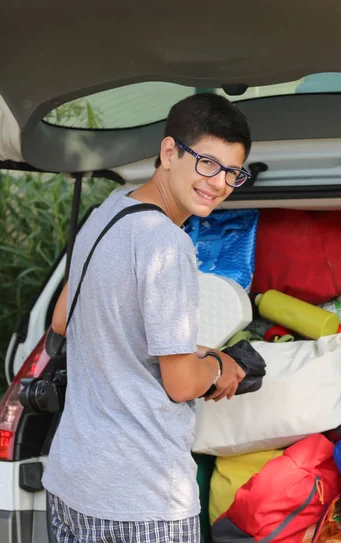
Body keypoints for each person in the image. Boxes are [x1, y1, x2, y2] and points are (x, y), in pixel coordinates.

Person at [43, 93, 252, 543]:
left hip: (72, 484)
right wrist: (218, 366)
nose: (219, 184)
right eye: (208, 164)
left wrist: (192, 350)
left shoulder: (109, 213)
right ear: (169, 151)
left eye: (233, 172)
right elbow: (179, 385)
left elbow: (64, 320)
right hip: (141, 502)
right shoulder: (167, 245)